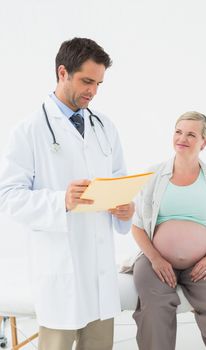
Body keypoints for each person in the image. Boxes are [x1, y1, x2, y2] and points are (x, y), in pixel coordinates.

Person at [0, 37, 134, 350]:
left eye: (99, 83)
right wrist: (61, 200)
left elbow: (120, 181)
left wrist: (125, 209)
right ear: (63, 73)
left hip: (101, 274)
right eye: (87, 81)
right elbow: (8, 196)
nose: (93, 91)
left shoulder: (105, 127)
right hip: (61, 271)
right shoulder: (29, 130)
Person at [131, 111, 206, 350]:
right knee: (155, 308)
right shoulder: (154, 175)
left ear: (204, 142)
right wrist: (155, 259)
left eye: (191, 134)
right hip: (155, 259)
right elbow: (136, 226)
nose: (182, 138)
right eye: (178, 132)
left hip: (202, 262)